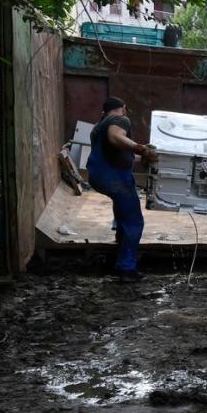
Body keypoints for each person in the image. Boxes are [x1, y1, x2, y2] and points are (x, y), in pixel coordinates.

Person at [86, 97, 158, 282]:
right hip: (114, 178)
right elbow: (115, 137)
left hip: (97, 175)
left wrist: (135, 157)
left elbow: (113, 150)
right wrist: (140, 149)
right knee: (134, 221)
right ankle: (126, 269)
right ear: (123, 108)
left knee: (122, 209)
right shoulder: (119, 120)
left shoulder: (98, 126)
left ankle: (120, 238)